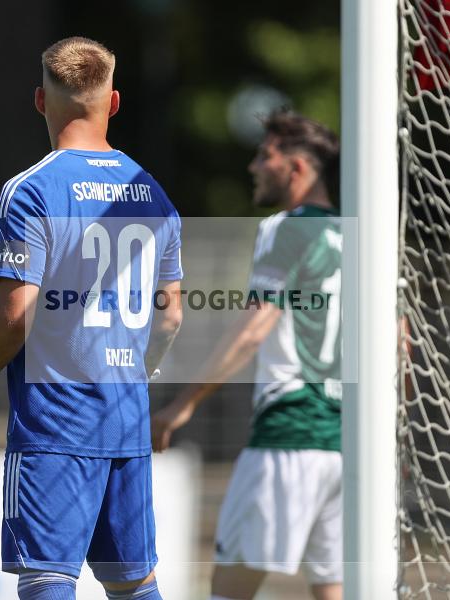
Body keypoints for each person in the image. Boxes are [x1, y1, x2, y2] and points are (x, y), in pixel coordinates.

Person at [0, 37, 183, 600]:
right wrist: (134, 371)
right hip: (125, 418)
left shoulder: (29, 191)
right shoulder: (153, 194)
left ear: (39, 102)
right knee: (134, 583)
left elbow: (17, 309)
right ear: (114, 102)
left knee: (48, 577)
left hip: (55, 426)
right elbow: (169, 316)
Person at [152, 109, 342, 600]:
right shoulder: (364, 236)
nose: (254, 166)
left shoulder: (286, 229)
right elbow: (399, 341)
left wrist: (181, 405)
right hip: (350, 448)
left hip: (288, 436)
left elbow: (256, 328)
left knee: (227, 592)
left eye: (265, 155)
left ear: (296, 168)